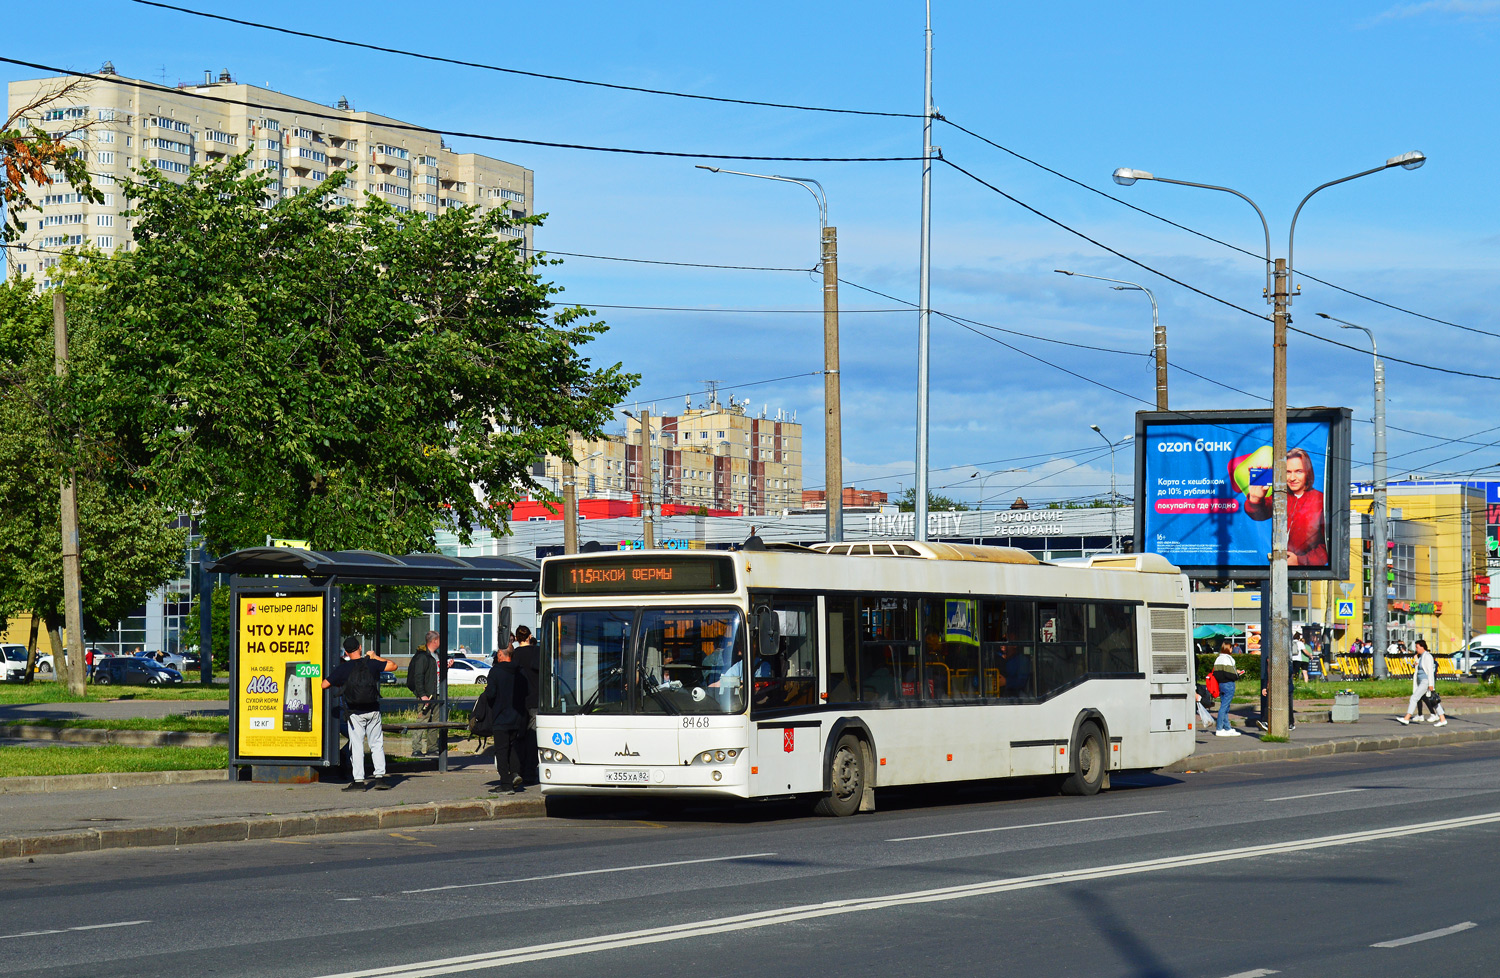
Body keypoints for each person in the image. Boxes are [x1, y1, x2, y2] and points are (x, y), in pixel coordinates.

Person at [322, 636, 397, 790]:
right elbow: (393, 666)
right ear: (360, 647)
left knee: (356, 746)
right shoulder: (372, 663)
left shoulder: (344, 668)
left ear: (347, 652)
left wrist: (340, 681)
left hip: (355, 713)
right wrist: (375, 656)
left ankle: (358, 781)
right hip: (373, 711)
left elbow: (324, 685)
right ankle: (380, 778)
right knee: (376, 744)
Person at [1245, 447, 1328, 566]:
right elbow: (1258, 514)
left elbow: (1329, 545)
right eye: (1288, 472)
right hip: (1274, 566)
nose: (1292, 478)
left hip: (1304, 573)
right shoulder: (1281, 496)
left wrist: (1300, 561)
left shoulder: (1320, 500)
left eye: (1299, 471)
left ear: (1307, 472)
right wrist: (1255, 498)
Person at [481, 646, 529, 792]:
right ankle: (515, 773)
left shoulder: (496, 671)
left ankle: (505, 784)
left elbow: (491, 693)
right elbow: (526, 692)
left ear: (501, 655)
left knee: (501, 750)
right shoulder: (520, 671)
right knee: (512, 746)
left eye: (498, 654)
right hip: (517, 716)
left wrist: (487, 692)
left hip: (501, 716)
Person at [509, 625, 541, 784]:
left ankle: (519, 768)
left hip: (520, 700)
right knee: (533, 736)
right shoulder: (537, 652)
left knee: (520, 735)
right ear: (529, 637)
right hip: (535, 699)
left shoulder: (515, 655)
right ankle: (530, 770)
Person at [406, 630, 440, 757]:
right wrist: (422, 694)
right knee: (422, 720)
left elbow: (434, 674)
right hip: (426, 694)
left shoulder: (436, 655)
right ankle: (416, 749)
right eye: (439, 640)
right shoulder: (422, 656)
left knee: (435, 722)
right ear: (434, 641)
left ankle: (432, 747)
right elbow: (418, 677)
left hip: (436, 693)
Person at [1397, 638, 1447, 726]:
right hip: (1421, 681)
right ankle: (1442, 719)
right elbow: (1418, 668)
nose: (1416, 649)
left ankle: (1407, 718)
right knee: (1433, 700)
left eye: (1417, 647)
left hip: (1425, 681)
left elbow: (1430, 671)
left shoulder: (1427, 656)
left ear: (1422, 647)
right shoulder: (1421, 657)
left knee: (1414, 698)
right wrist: (1416, 660)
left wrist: (1431, 684)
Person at [1211, 641, 1244, 737]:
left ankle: (1227, 727)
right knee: (1224, 707)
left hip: (1221, 684)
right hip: (1229, 684)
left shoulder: (1218, 659)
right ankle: (1219, 728)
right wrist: (1238, 674)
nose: (1232, 649)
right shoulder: (1229, 659)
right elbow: (1231, 674)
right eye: (1230, 647)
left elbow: (1217, 673)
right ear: (1227, 648)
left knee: (1224, 706)